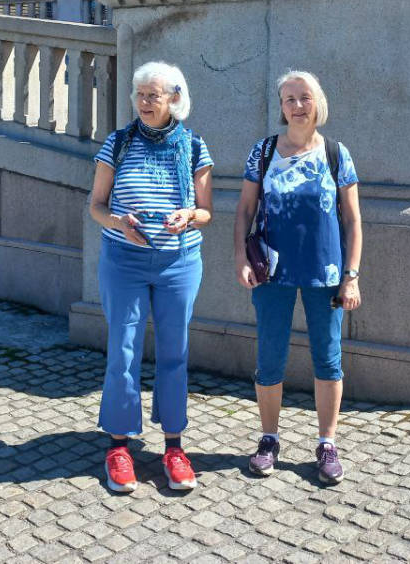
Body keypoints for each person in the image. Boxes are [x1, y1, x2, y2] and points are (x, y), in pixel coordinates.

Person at [232, 70, 362, 485]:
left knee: (328, 359)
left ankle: (327, 443)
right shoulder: (264, 151)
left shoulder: (337, 153)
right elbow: (244, 211)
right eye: (289, 99)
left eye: (304, 97)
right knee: (270, 359)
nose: (297, 105)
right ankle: (268, 438)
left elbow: (354, 221)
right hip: (271, 273)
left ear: (317, 102)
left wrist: (351, 276)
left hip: (325, 273)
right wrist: (240, 257)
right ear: (281, 106)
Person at [89, 61, 213, 493]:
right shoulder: (118, 142)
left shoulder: (195, 147)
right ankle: (119, 446)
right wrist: (119, 222)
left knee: (175, 352)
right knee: (122, 350)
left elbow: (206, 211)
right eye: (140, 95)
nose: (144, 102)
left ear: (174, 99)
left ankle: (174, 448)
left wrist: (190, 215)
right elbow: (96, 206)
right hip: (124, 261)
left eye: (153, 95)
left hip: (179, 264)